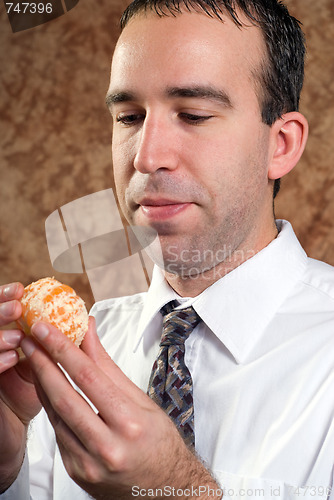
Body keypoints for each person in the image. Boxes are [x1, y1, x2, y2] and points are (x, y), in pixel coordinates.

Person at [1, 0, 334, 498]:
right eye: (129, 116)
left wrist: (173, 488)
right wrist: (9, 467)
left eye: (194, 115)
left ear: (280, 145)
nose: (147, 156)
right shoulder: (68, 359)